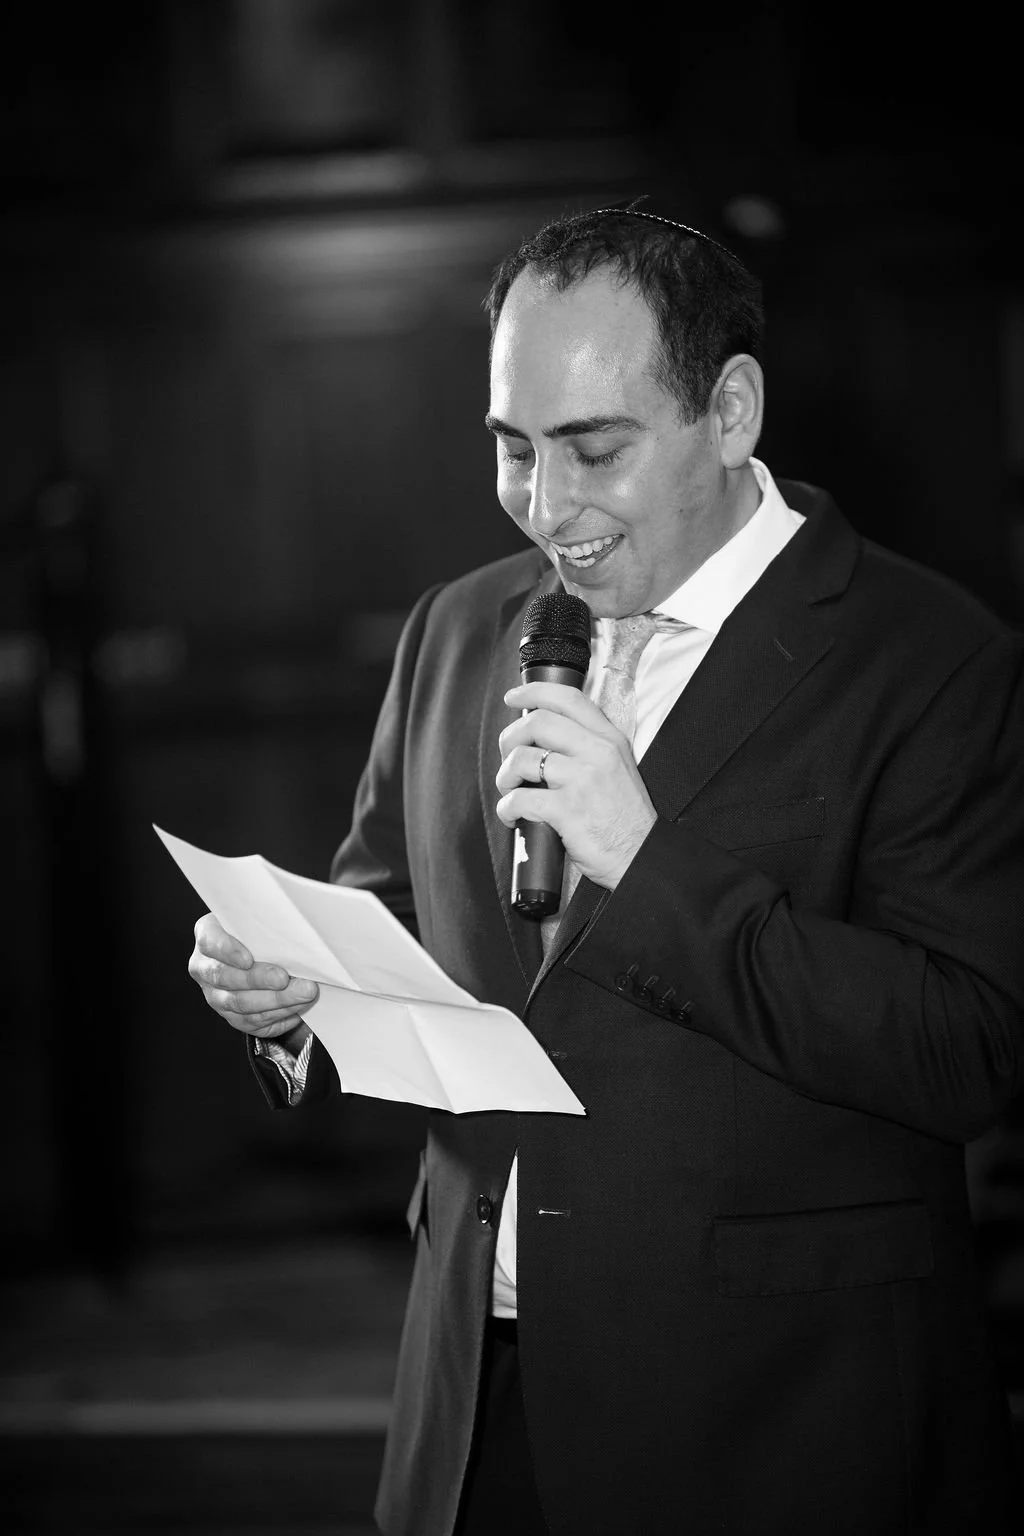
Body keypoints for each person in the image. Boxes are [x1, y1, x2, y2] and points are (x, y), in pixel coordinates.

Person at [188, 205, 1024, 1535]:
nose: (543, 502)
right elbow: (383, 929)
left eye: (593, 448)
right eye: (513, 448)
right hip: (479, 1409)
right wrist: (282, 1009)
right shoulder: (459, 629)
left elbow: (968, 1052)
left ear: (732, 410)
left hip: (780, 1425)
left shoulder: (931, 660)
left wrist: (646, 862)